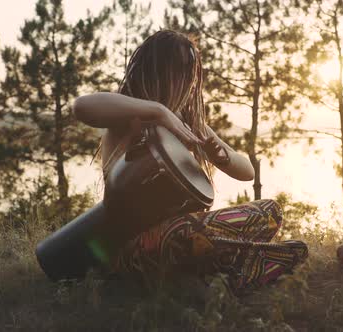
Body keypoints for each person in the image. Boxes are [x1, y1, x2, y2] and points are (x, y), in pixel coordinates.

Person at [72, 30, 308, 296]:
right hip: (133, 247)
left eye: (191, 70)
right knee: (184, 232)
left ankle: (231, 269)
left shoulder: (189, 123)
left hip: (186, 234)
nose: (188, 79)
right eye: (181, 68)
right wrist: (158, 111)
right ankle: (235, 269)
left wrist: (221, 155)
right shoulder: (129, 113)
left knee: (270, 211)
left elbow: (247, 171)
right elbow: (82, 107)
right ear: (158, 67)